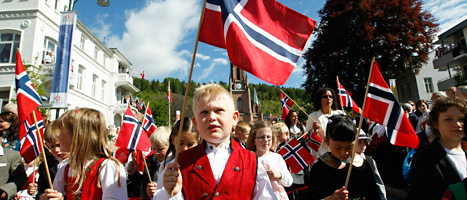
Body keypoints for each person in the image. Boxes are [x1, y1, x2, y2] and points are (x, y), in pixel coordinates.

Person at [153, 84, 276, 199]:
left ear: (234, 118)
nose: (212, 117)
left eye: (219, 110)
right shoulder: (179, 163)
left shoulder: (253, 163)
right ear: (196, 123)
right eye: (204, 112)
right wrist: (169, 193)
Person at [43, 108, 127, 199]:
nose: (58, 136)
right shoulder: (65, 169)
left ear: (76, 134)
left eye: (60, 131)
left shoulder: (108, 167)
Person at [406, 97, 467, 199]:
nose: (457, 124)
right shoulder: (424, 158)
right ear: (435, 124)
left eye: (461, 119)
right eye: (448, 119)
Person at [307, 115, 379, 199]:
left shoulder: (365, 163)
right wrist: (332, 198)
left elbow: (374, 194)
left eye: (349, 147)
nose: (344, 152)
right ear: (327, 141)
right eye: (338, 148)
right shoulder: (320, 168)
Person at [147, 118, 199, 198]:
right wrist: (155, 194)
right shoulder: (167, 165)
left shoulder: (202, 165)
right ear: (173, 139)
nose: (185, 149)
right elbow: (161, 193)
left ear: (198, 141)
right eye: (181, 143)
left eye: (190, 144)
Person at [246, 121, 292, 200]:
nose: (266, 140)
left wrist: (280, 175)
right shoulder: (249, 159)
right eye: (261, 137)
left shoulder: (277, 158)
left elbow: (289, 181)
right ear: (253, 140)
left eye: (268, 137)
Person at [28, 121, 69, 200]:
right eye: (52, 146)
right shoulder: (46, 166)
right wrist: (43, 196)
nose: (56, 150)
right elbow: (40, 192)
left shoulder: (79, 164)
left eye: (59, 145)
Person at [127, 126, 171, 198]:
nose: (156, 152)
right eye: (154, 148)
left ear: (170, 146)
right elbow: (142, 184)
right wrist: (134, 173)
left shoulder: (173, 163)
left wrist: (159, 190)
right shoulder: (150, 161)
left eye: (160, 149)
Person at [306, 88, 345, 156]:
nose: (328, 98)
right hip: (321, 154)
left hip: (339, 153)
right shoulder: (313, 116)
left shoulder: (340, 114)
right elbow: (307, 138)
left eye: (330, 96)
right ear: (319, 99)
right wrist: (314, 132)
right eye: (325, 96)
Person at [354, 130, 387, 200]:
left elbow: (379, 184)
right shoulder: (346, 162)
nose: (363, 145)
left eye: (365, 141)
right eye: (359, 141)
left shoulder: (370, 161)